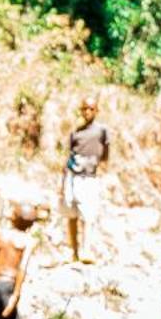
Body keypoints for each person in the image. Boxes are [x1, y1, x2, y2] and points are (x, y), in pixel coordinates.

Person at [62, 95, 109, 264]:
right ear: (81, 111)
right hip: (72, 176)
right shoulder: (76, 133)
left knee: (87, 214)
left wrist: (100, 168)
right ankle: (73, 252)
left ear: (96, 110)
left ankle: (86, 250)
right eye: (85, 109)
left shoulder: (101, 131)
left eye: (91, 109)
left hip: (89, 177)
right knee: (71, 213)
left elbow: (105, 153)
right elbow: (69, 155)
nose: (88, 112)